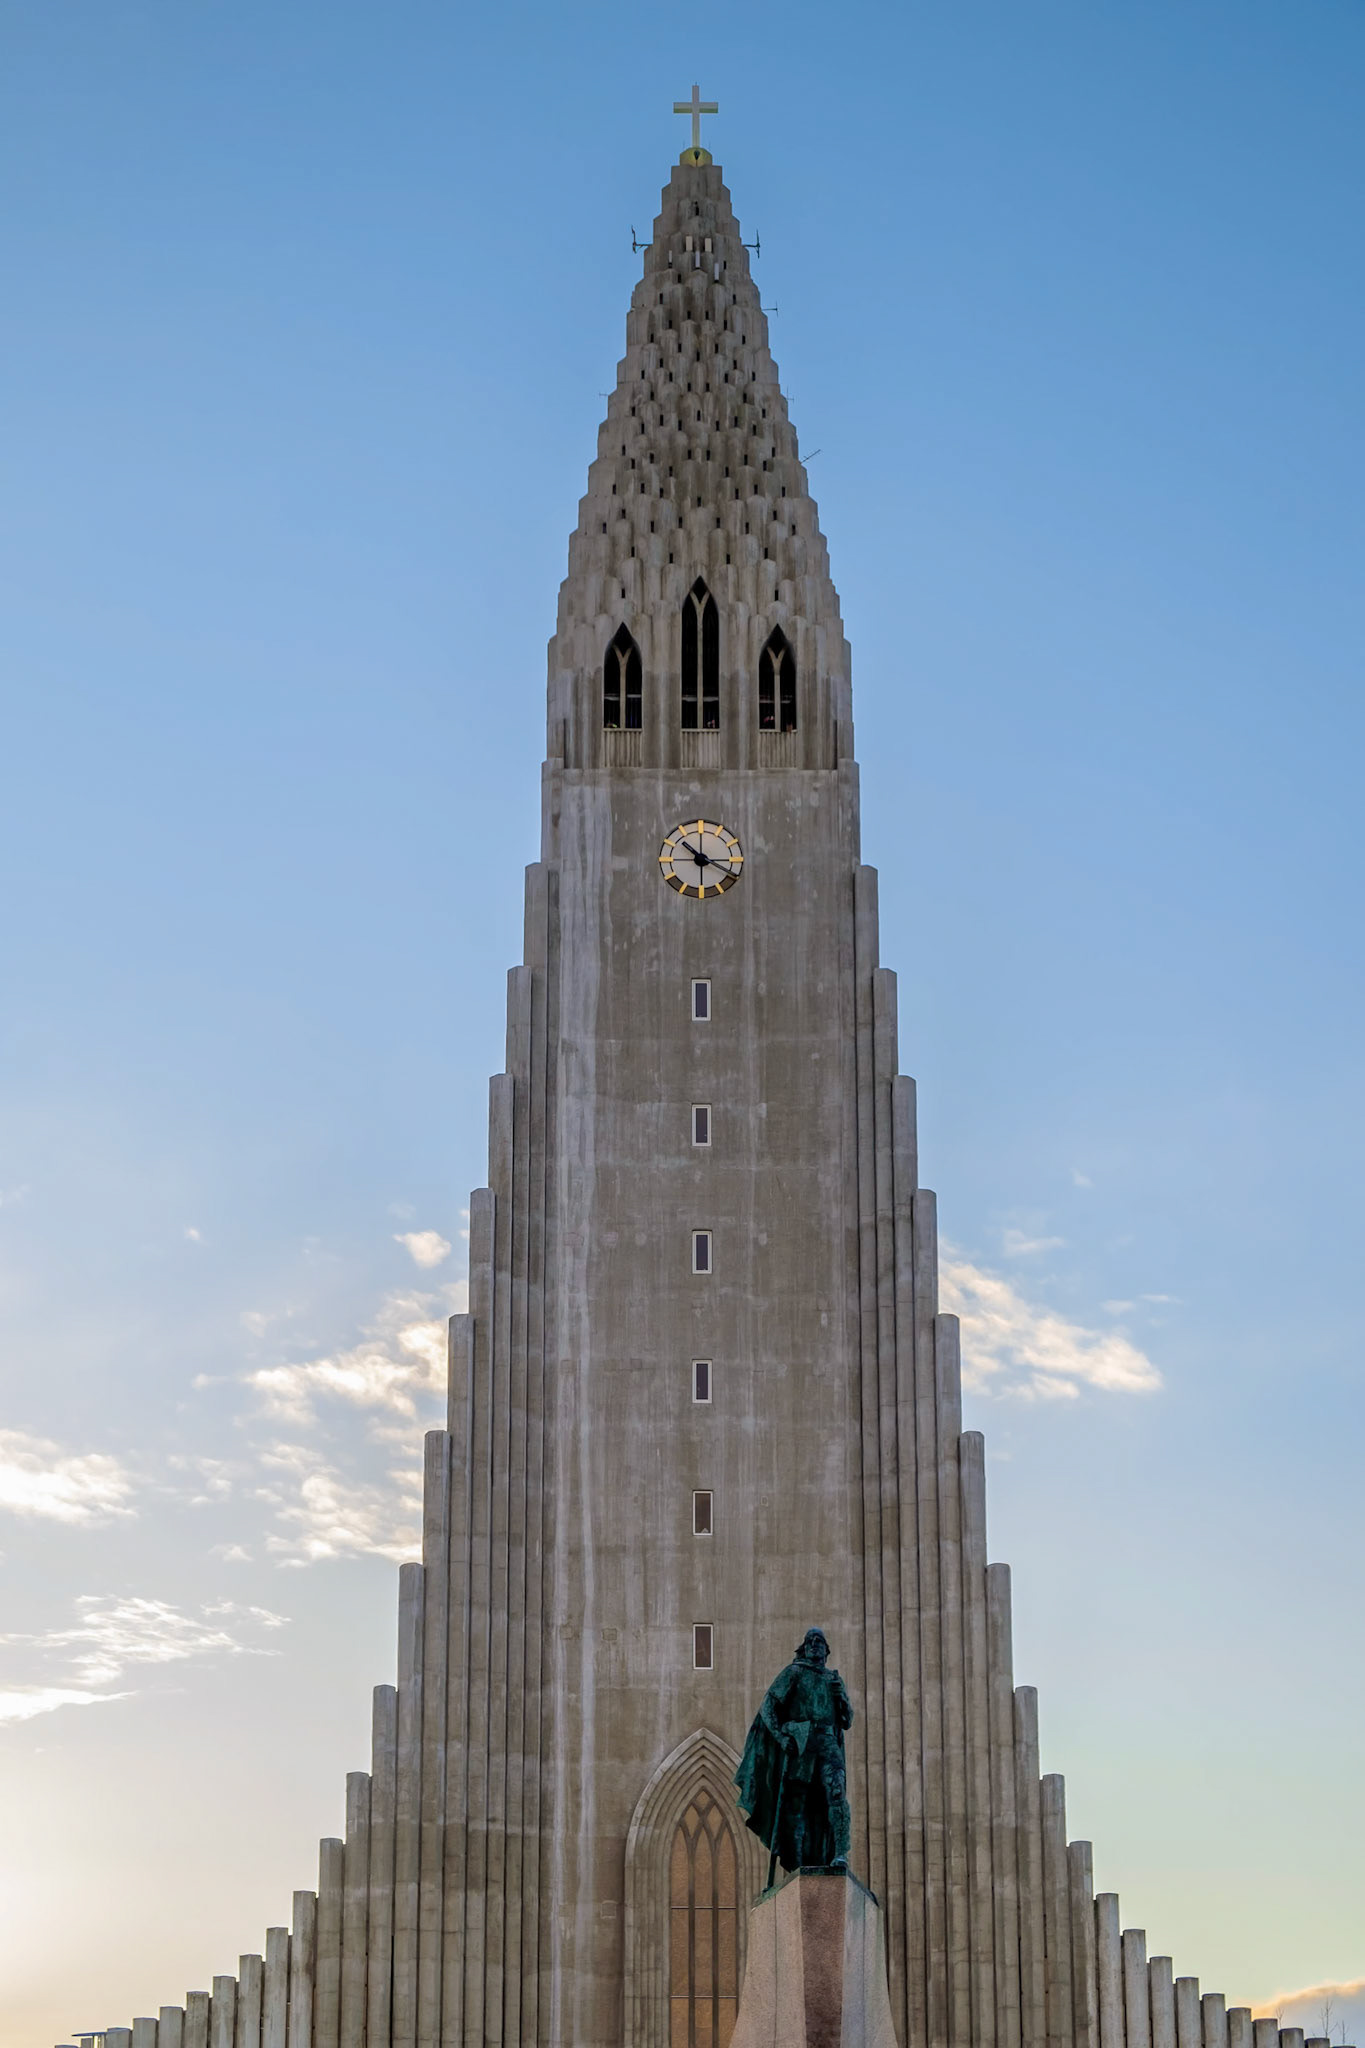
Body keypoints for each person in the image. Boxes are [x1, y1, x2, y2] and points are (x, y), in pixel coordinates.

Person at [734, 1628, 854, 1879]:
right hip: (803, 1744)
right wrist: (780, 1736)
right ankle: (798, 1865)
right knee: (797, 1804)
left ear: (826, 1649)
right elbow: (769, 1707)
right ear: (804, 1648)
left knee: (836, 1792)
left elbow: (846, 1720)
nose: (814, 1645)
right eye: (810, 1641)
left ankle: (840, 1853)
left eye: (819, 1641)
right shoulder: (794, 1673)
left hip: (828, 1743)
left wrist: (840, 1695)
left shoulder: (833, 1680)